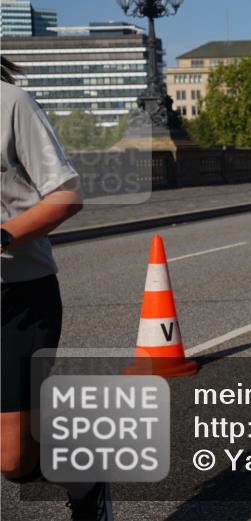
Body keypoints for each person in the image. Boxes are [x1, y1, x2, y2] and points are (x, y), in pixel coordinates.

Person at [1, 57, 113, 520]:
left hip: (19, 297)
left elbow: (67, 194)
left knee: (13, 460)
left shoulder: (12, 103)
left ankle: (86, 479)